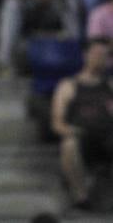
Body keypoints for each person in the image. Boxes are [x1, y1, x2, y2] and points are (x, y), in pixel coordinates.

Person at [50, 38, 113, 210]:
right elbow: (57, 123)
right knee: (69, 145)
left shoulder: (110, 85)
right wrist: (71, 131)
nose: (101, 58)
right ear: (86, 55)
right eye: (97, 54)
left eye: (105, 56)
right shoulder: (68, 85)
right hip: (82, 136)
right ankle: (81, 196)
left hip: (108, 136)